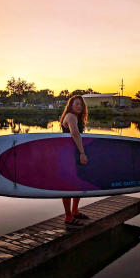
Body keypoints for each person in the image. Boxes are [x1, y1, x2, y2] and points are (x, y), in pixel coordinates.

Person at [60, 95, 89, 227]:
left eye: (81, 104)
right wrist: (82, 153)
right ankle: (68, 216)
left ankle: (75, 211)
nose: (79, 106)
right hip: (69, 155)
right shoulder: (71, 116)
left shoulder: (76, 117)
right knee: (68, 185)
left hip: (73, 153)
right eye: (76, 104)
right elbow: (75, 134)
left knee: (78, 182)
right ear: (71, 105)